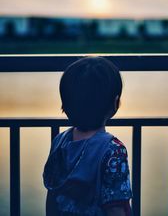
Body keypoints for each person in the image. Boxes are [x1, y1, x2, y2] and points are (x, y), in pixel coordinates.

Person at [43, 56, 133, 216]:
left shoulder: (60, 141)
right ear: (115, 103)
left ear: (64, 105)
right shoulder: (113, 151)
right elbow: (115, 207)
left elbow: (52, 196)